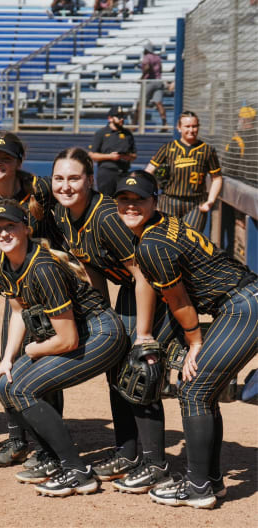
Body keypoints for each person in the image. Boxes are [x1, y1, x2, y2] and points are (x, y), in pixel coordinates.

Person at [115, 170, 257, 509]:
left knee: (194, 390)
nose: (131, 206)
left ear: (155, 201)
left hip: (244, 306)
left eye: (140, 200)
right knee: (203, 392)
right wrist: (146, 334)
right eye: (124, 200)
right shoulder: (161, 224)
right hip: (242, 301)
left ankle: (197, 488)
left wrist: (195, 343)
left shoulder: (152, 243)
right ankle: (210, 480)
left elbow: (179, 301)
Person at [50, 147, 178, 493]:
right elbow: (91, 266)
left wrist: (144, 333)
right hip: (127, 289)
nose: (66, 185)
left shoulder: (106, 215)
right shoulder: (63, 215)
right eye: (59, 178)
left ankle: (155, 463)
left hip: (161, 287)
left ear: (90, 180)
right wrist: (100, 316)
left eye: (74, 178)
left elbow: (144, 272)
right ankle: (128, 452)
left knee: (140, 369)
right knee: (116, 367)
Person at [0, 199, 128, 497]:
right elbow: (17, 312)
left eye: (10, 226)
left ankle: (77, 472)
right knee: (7, 383)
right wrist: (6, 359)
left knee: (23, 389)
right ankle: (51, 457)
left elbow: (68, 340)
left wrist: (33, 351)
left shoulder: (43, 268)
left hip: (102, 334)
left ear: (26, 228)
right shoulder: (1, 259)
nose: (3, 233)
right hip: (79, 333)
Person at [0, 131, 65, 469]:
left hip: (48, 283)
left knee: (45, 362)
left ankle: (49, 443)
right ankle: (17, 438)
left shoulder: (40, 188)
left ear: (18, 161)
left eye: (5, 157)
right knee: (8, 356)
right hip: (15, 285)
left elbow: (59, 228)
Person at [145, 111, 222, 232]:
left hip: (195, 204)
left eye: (194, 126)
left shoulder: (207, 150)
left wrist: (210, 201)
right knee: (167, 240)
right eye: (187, 126)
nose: (191, 130)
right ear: (179, 128)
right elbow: (148, 172)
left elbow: (217, 178)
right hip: (169, 201)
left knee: (190, 241)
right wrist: (150, 195)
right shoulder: (168, 148)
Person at [88, 106, 137, 196]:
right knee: (106, 201)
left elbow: (134, 155)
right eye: (118, 117)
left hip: (124, 172)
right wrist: (110, 157)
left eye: (123, 117)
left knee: (123, 199)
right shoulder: (101, 133)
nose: (121, 119)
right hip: (107, 172)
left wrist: (123, 156)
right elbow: (92, 155)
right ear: (110, 118)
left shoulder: (128, 134)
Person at [134, 42, 167, 130]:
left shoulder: (147, 57)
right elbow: (161, 70)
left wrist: (142, 77)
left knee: (141, 104)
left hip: (149, 82)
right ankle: (165, 124)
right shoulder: (158, 57)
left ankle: (134, 126)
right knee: (158, 103)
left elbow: (147, 67)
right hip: (158, 81)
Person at [224, 105, 257, 186]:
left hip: (242, 185)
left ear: (243, 121)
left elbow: (229, 168)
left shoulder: (237, 140)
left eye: (239, 118)